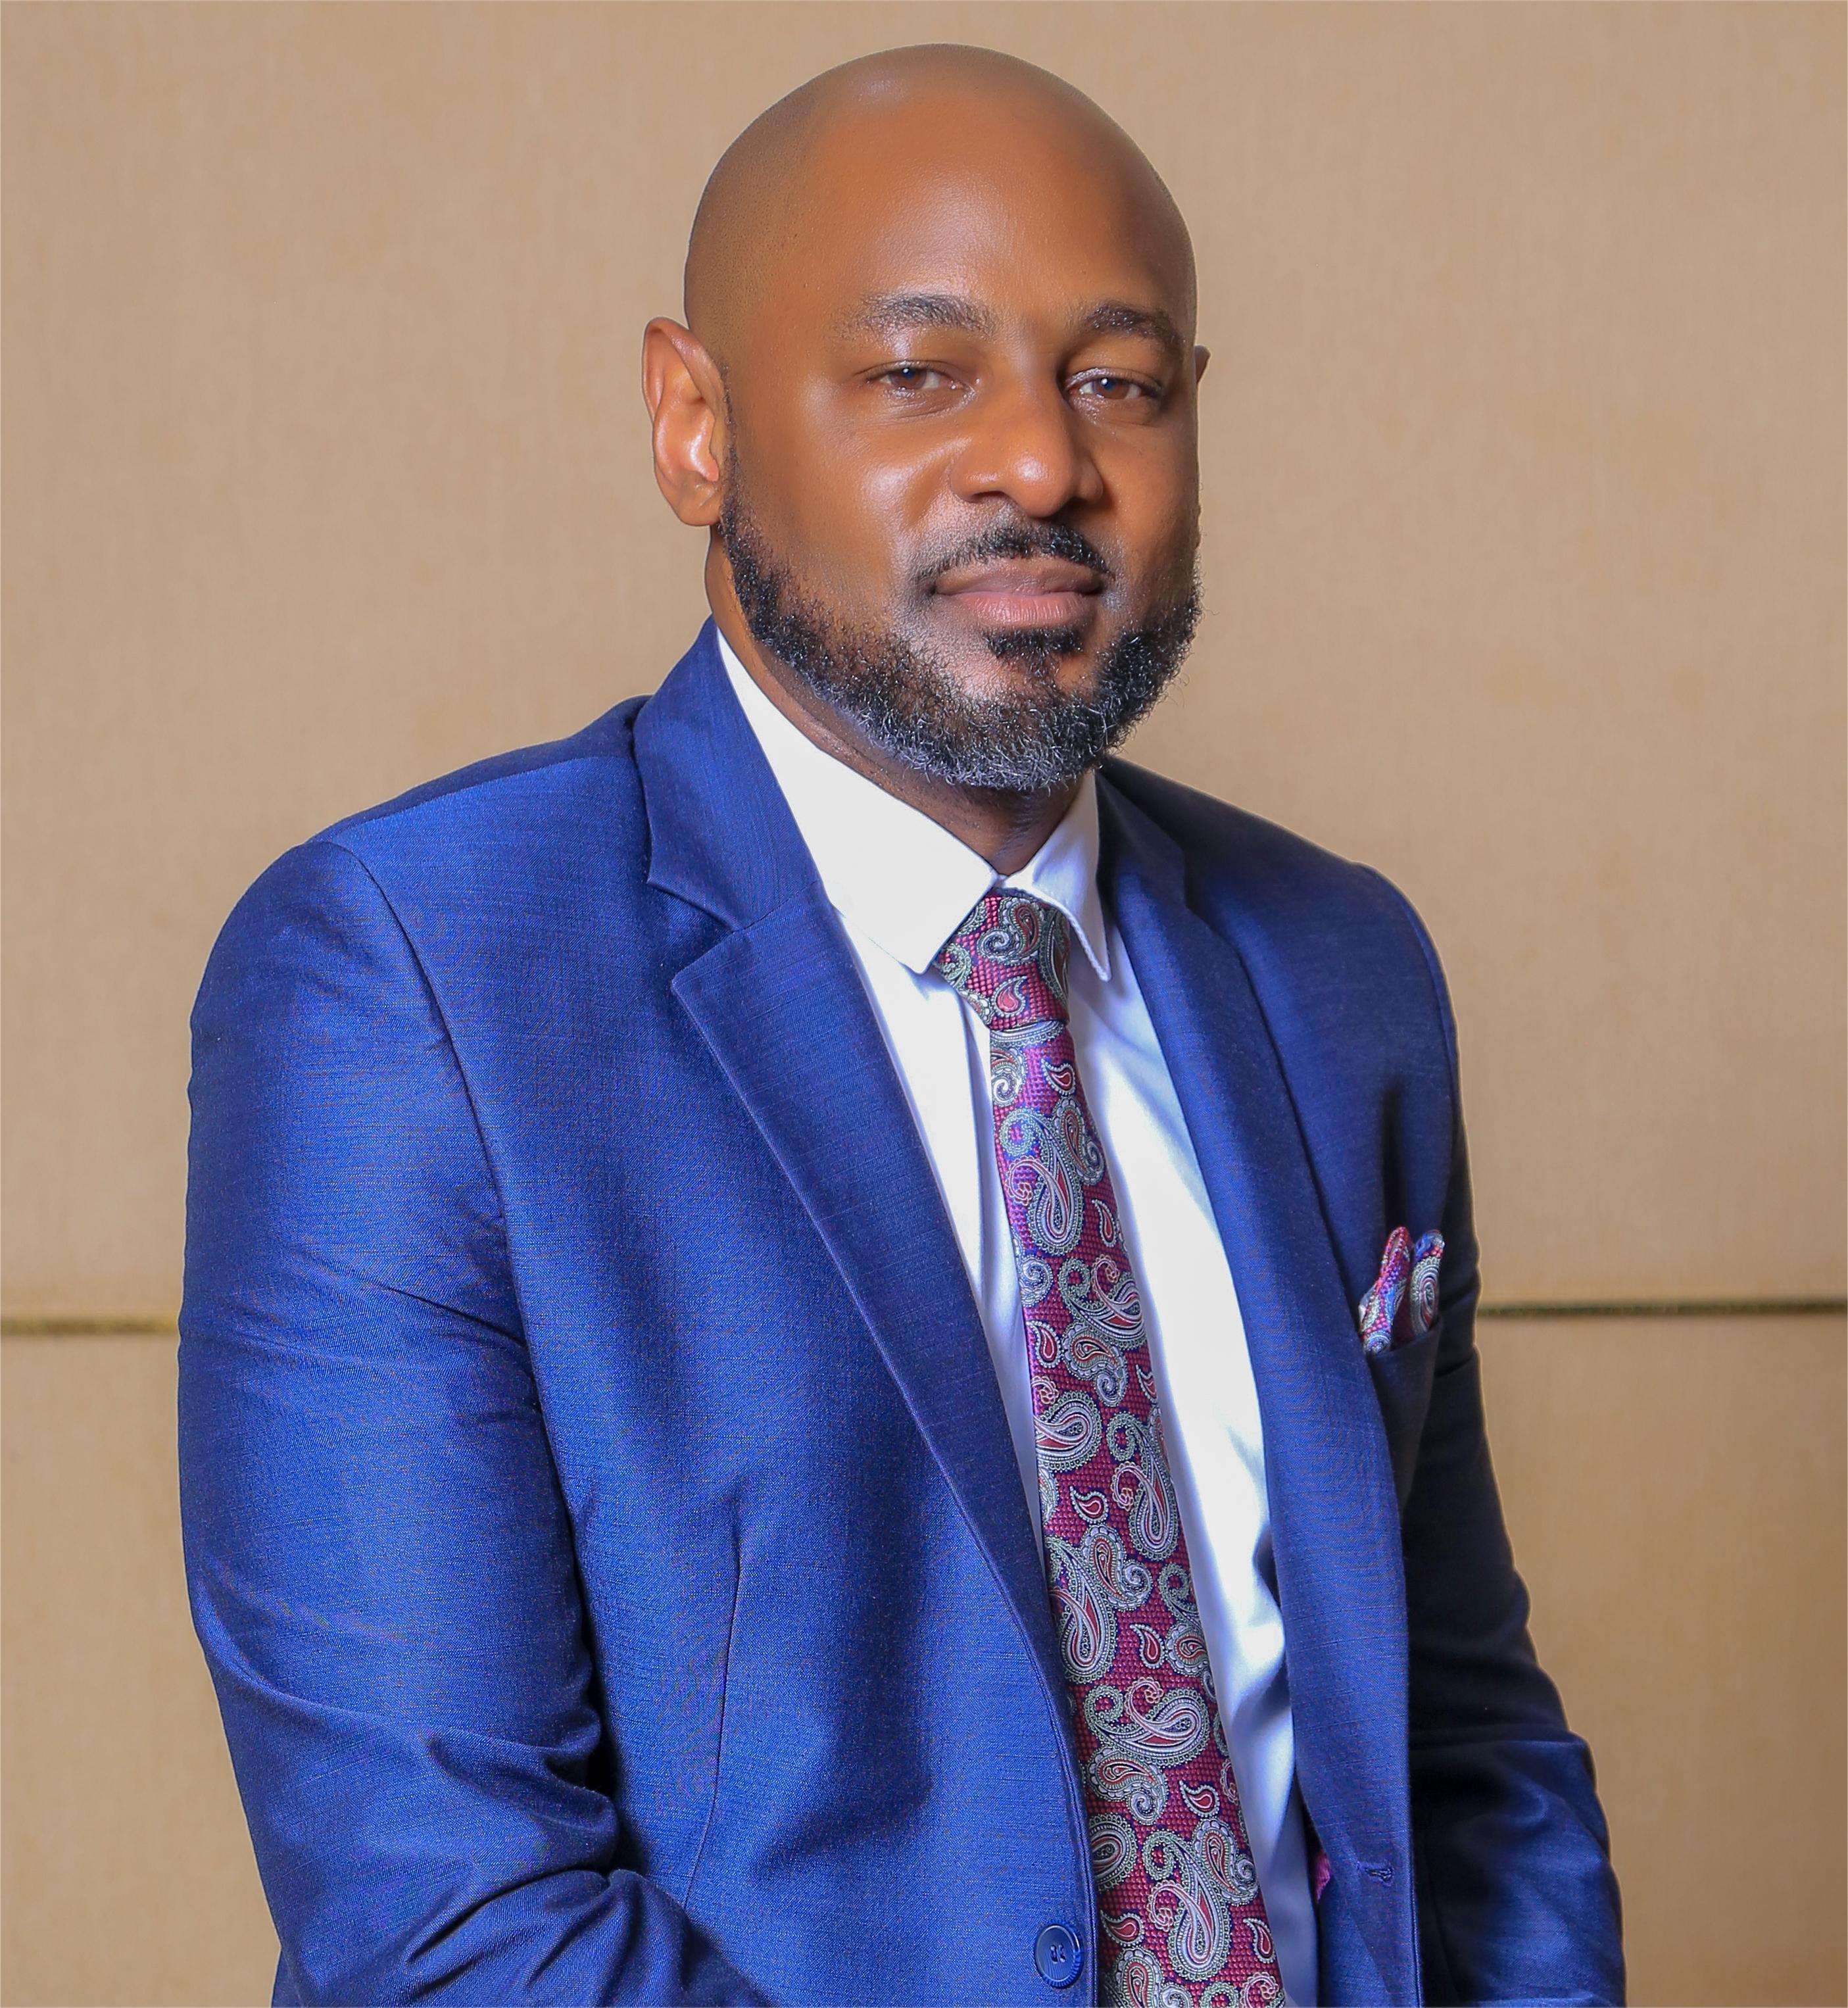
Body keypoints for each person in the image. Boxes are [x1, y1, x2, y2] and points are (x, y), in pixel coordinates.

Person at [178, 44, 1622, 2008]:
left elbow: (1464, 1753)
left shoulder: (1338, 968)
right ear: (695, 424)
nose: (1040, 462)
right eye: (921, 372)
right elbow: (444, 1916)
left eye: (1118, 381)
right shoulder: (412, 979)